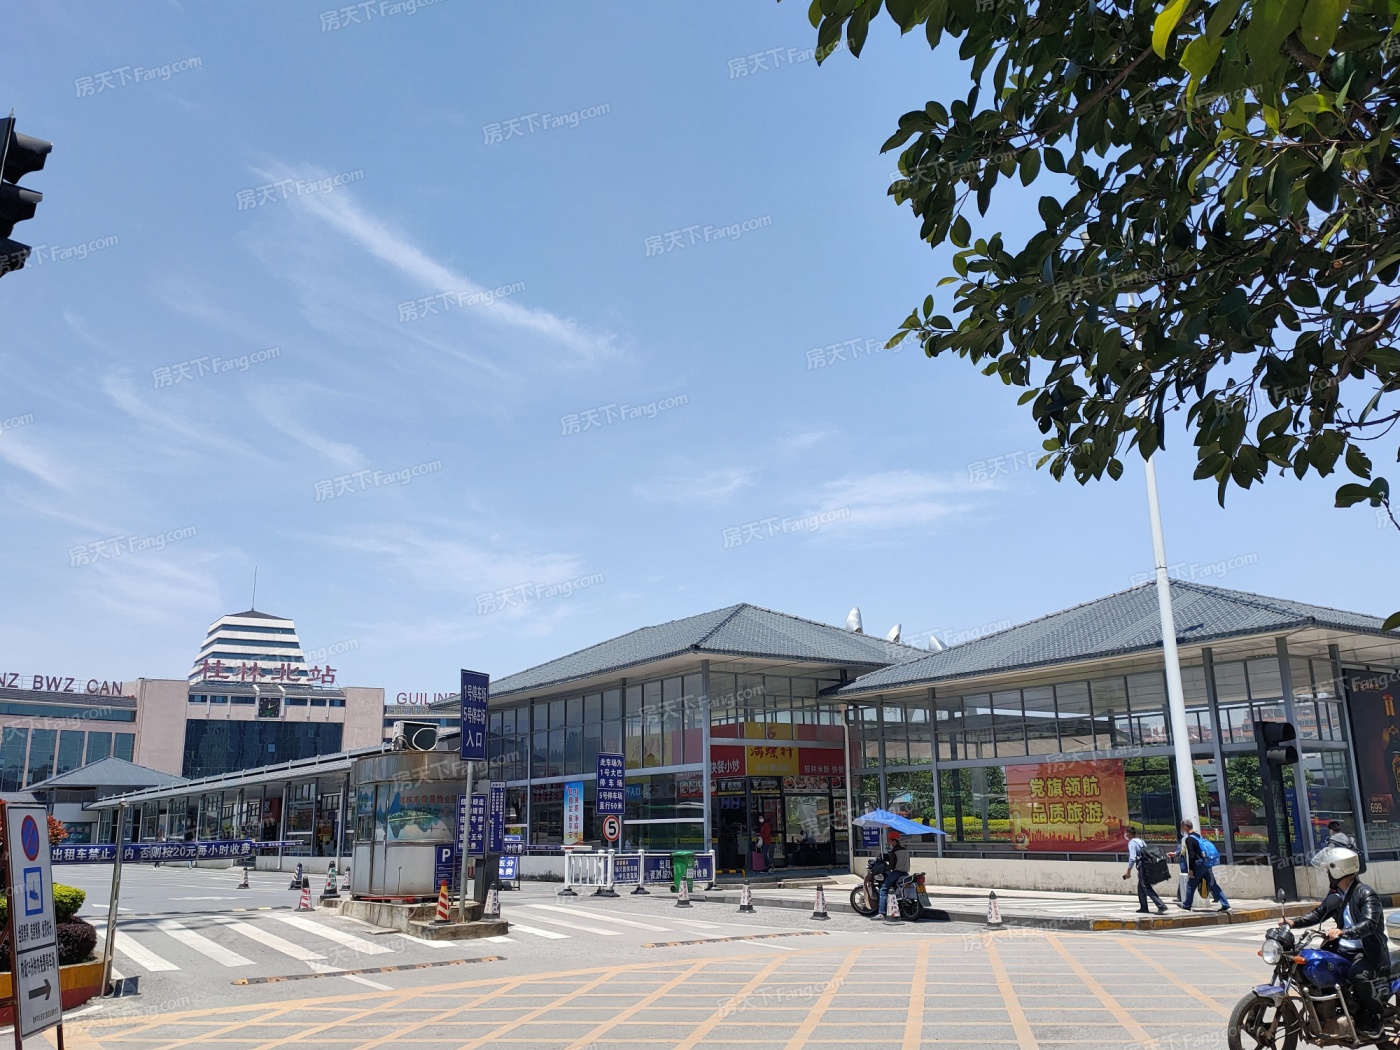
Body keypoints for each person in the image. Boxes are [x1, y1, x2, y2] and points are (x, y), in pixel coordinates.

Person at [1281, 845, 1388, 1040]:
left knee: (1358, 976)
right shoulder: (1337, 896)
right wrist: (1293, 923)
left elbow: (1369, 924)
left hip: (1367, 952)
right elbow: (1318, 914)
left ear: (1338, 870)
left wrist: (1343, 932)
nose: (1327, 874)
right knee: (1314, 965)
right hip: (1342, 949)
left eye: (1328, 870)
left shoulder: (1366, 894)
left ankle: (1377, 1018)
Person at [1177, 821, 1230, 913]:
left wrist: (1191, 869)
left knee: (1190, 885)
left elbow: (1192, 855)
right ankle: (1226, 905)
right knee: (1213, 884)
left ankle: (1186, 906)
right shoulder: (1198, 836)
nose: (1182, 829)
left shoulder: (1189, 839)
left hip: (1198, 864)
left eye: (1182, 827)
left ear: (1185, 827)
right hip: (1206, 863)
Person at [1121, 827, 1168, 914]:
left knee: (1146, 887)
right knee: (1141, 888)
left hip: (1142, 866)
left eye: (1126, 833)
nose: (1125, 835)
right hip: (1147, 865)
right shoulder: (1140, 841)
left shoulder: (1132, 843)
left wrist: (1128, 871)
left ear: (1129, 833)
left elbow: (1132, 858)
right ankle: (1143, 907)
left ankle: (1161, 905)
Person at [876, 832, 909, 918]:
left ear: (894, 841)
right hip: (905, 873)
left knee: (883, 890)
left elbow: (892, 866)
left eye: (890, 841)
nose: (889, 843)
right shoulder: (905, 850)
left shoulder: (894, 851)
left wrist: (886, 867)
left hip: (896, 873)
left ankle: (881, 912)